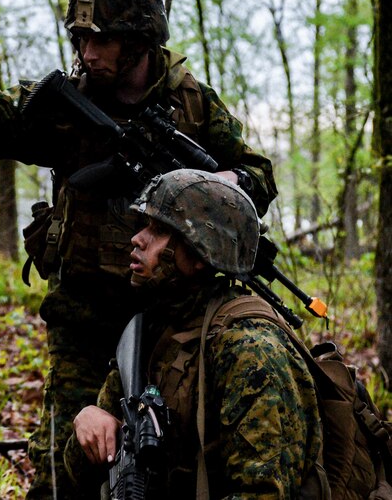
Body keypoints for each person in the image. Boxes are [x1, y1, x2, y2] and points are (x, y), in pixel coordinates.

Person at [0, 0, 278, 498]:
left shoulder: (192, 107)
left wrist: (225, 181)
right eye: (80, 38)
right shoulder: (66, 103)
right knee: (63, 468)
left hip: (172, 317)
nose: (88, 52)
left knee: (163, 461)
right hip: (84, 317)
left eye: (102, 40)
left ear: (141, 40)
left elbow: (257, 173)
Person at [64, 169, 322, 497]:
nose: (137, 239)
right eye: (144, 226)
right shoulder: (151, 332)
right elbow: (80, 476)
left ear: (201, 252)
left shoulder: (251, 349)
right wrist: (87, 423)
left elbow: (263, 492)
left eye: (158, 230)